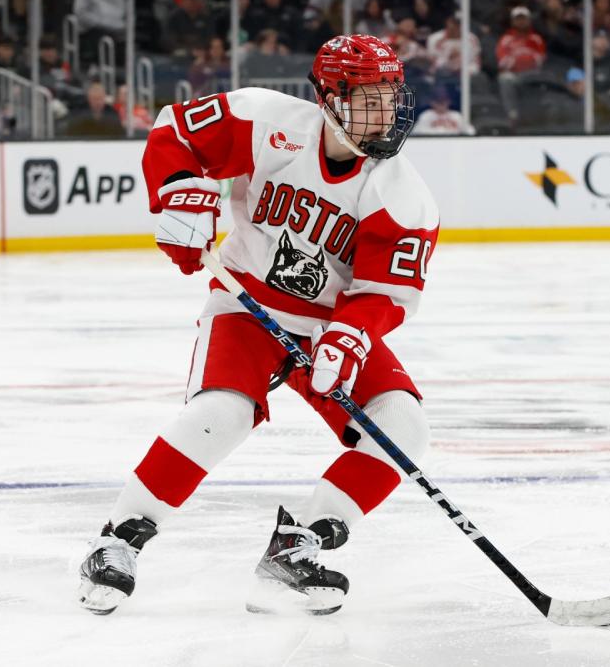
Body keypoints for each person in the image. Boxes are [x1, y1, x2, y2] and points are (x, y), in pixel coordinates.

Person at [76, 34, 439, 618]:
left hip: (328, 324)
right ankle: (116, 539)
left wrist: (352, 334)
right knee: (222, 413)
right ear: (327, 98)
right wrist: (177, 195)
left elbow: (388, 293)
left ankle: (297, 548)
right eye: (367, 99)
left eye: (390, 97)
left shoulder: (402, 193)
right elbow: (175, 133)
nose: (385, 113)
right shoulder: (265, 121)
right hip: (247, 304)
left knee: (404, 426)